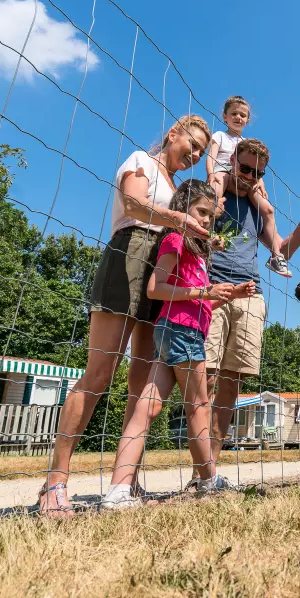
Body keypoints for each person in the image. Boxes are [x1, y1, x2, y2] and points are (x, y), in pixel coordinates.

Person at [38, 115, 213, 517]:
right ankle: (55, 482)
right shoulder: (141, 161)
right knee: (99, 374)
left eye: (203, 151)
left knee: (141, 384)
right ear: (173, 133)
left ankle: (126, 480)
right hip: (129, 257)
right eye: (193, 144)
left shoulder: (178, 188)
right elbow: (133, 202)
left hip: (160, 271)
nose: (196, 154)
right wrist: (179, 220)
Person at [101, 180, 255, 508]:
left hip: (178, 330)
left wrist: (227, 295)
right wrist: (203, 292)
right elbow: (156, 288)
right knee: (199, 406)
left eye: (210, 218)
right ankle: (208, 481)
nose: (205, 221)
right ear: (182, 207)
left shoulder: (198, 249)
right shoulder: (175, 239)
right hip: (181, 332)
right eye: (200, 212)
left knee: (149, 405)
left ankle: (118, 489)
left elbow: (197, 303)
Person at [203, 137, 300, 470]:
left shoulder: (256, 209)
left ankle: (209, 472)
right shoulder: (211, 195)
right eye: (244, 168)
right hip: (212, 288)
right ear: (231, 160)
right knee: (204, 379)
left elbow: (281, 251)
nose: (248, 176)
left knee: (232, 384)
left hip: (250, 295)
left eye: (257, 172)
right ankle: (199, 467)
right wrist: (217, 188)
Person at [206, 96, 292, 278]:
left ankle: (276, 256)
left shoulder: (247, 142)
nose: (238, 117)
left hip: (245, 180)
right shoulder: (220, 136)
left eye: (242, 115)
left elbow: (255, 170)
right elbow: (211, 157)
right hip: (223, 172)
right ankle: (206, 233)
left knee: (268, 210)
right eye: (234, 113)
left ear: (247, 120)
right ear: (224, 116)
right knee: (214, 198)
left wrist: (260, 183)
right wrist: (211, 174)